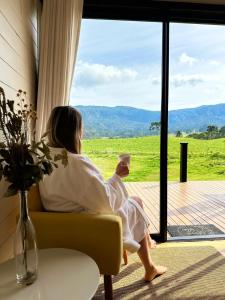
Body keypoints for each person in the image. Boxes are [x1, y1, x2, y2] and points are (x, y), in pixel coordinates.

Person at [39, 106, 167, 281]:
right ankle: (149, 266)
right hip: (90, 226)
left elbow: (86, 191)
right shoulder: (76, 163)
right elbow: (105, 203)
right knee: (136, 201)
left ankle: (145, 241)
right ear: (76, 131)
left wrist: (112, 181)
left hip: (59, 225)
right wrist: (117, 176)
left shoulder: (42, 160)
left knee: (133, 204)